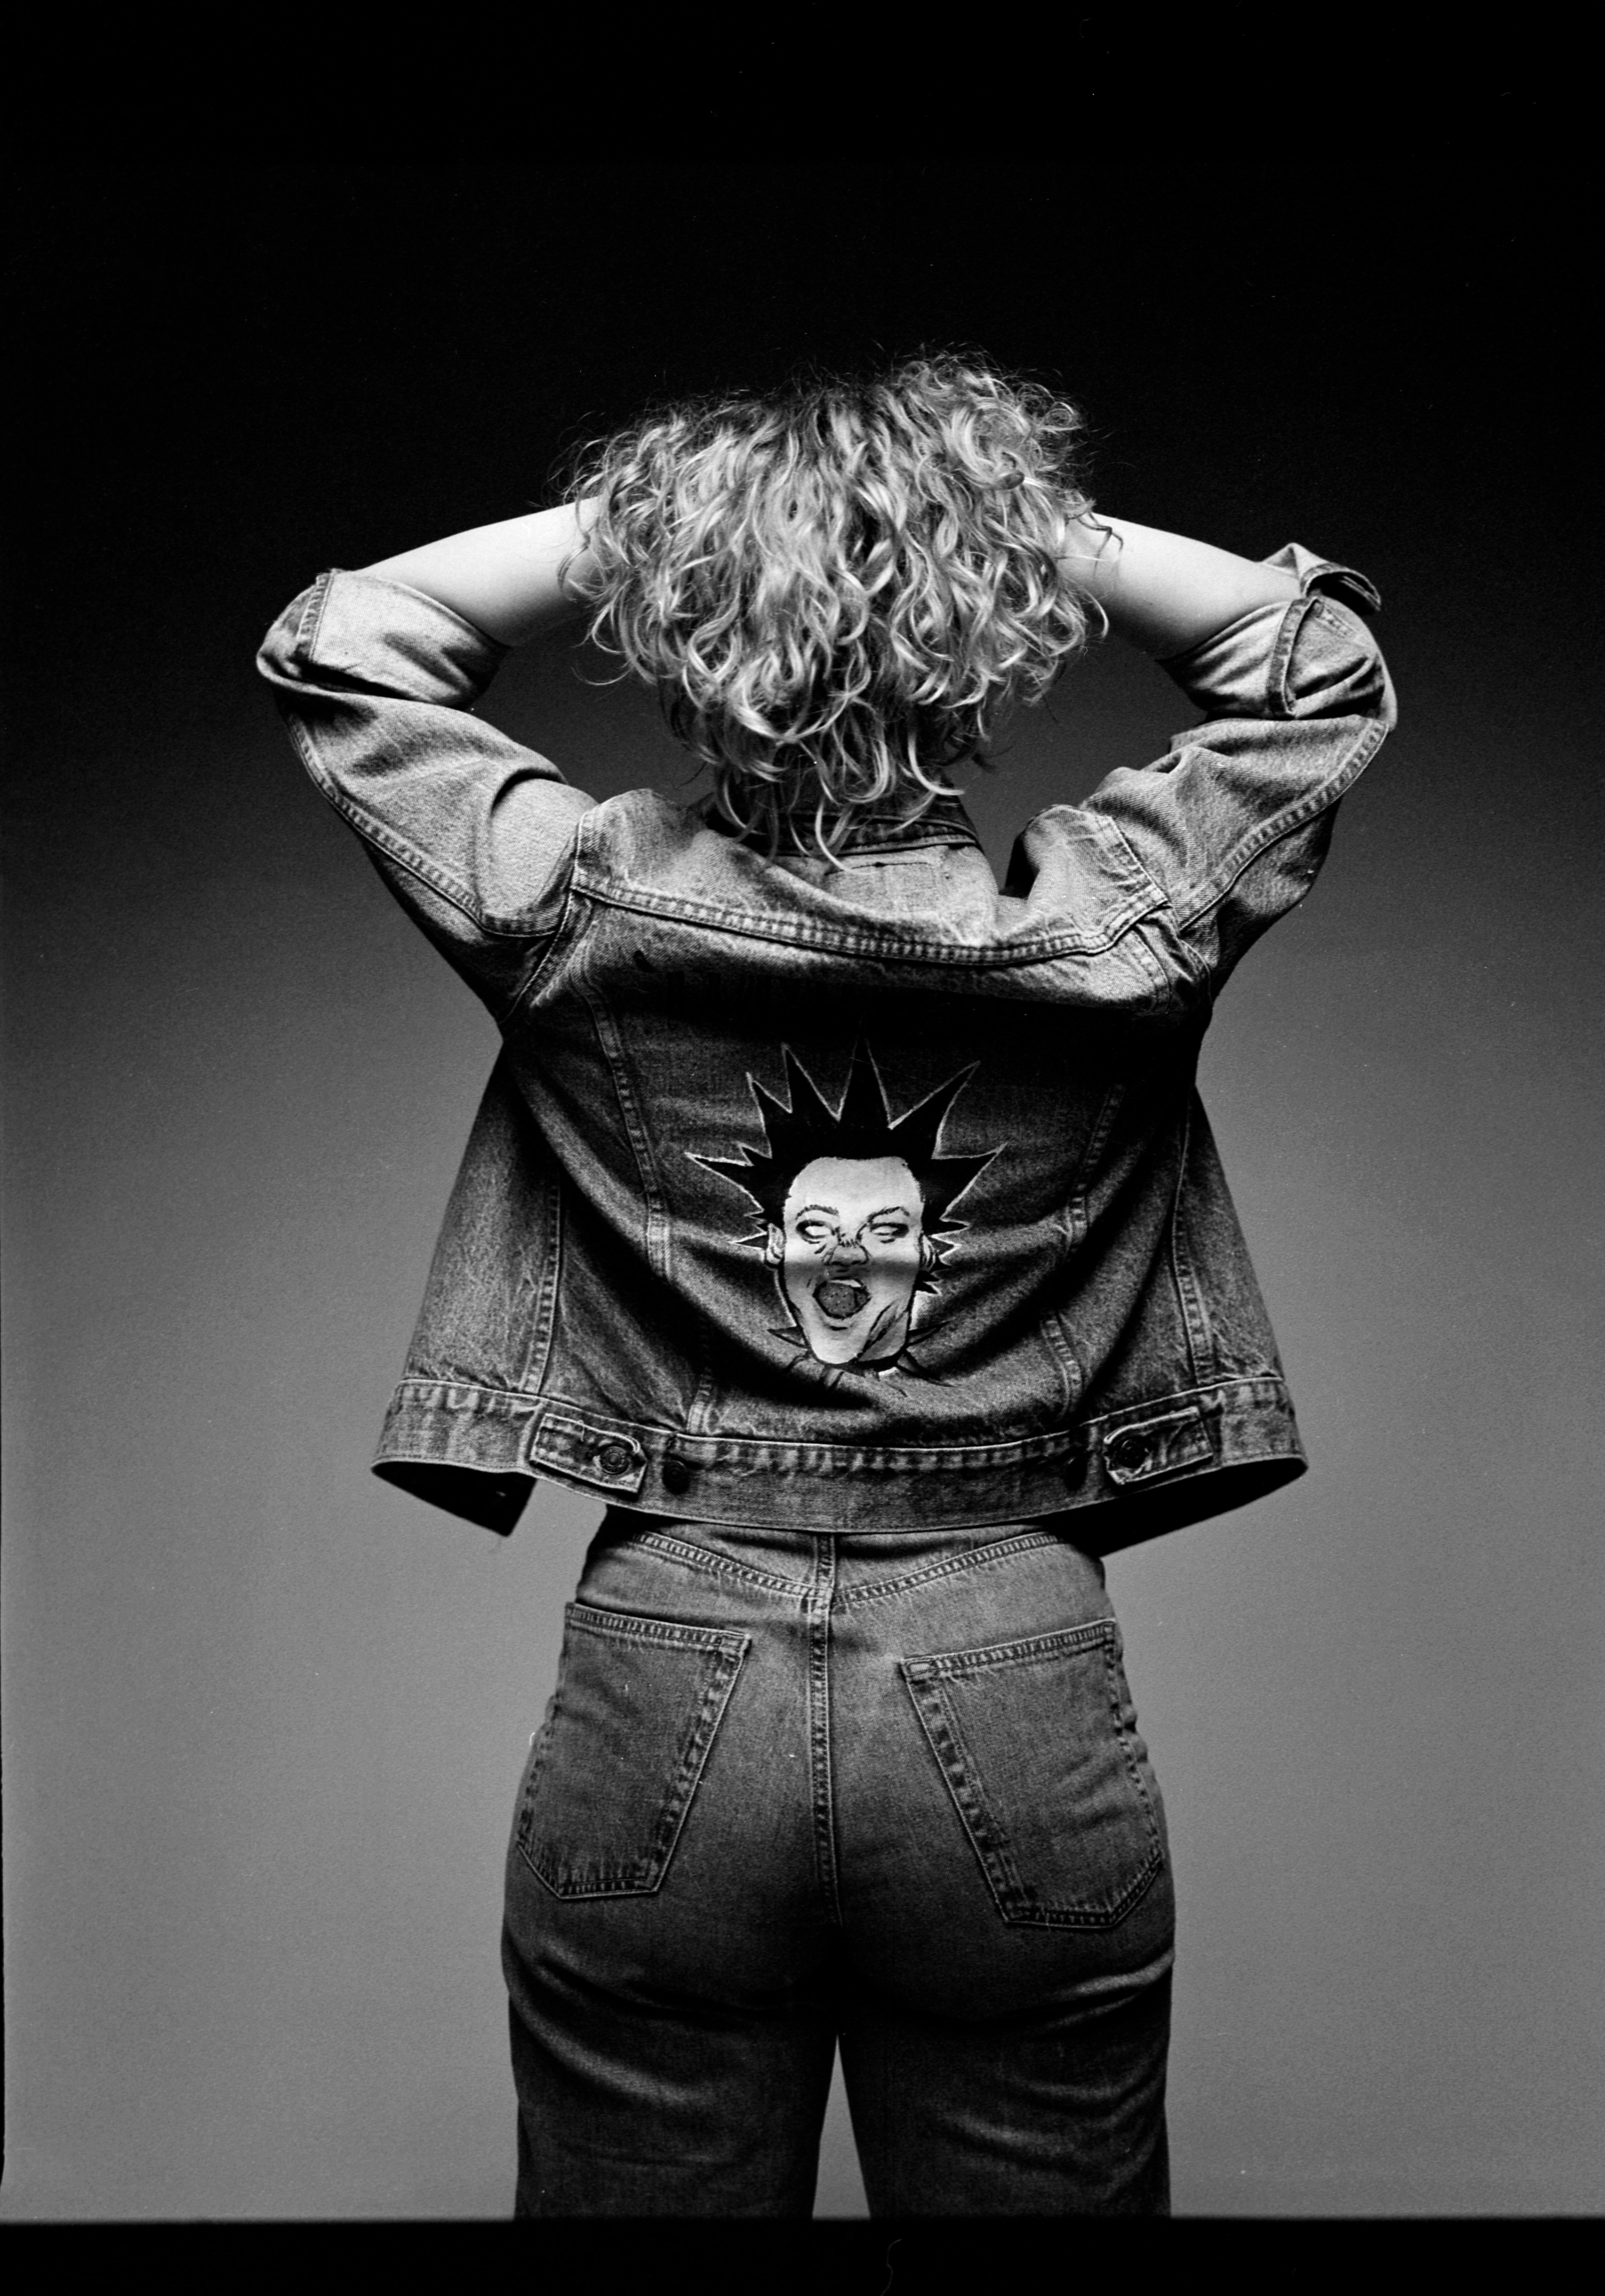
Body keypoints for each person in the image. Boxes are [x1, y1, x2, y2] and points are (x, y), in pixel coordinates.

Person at [256, 352, 1395, 2217]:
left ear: (700, 653)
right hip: (1013, 1656)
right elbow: (1322, 669)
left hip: (667, 1660)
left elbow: (347, 646)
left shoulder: (579, 906)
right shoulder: (1119, 921)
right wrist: (994, 530)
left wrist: (675, 534)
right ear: (983, 653)